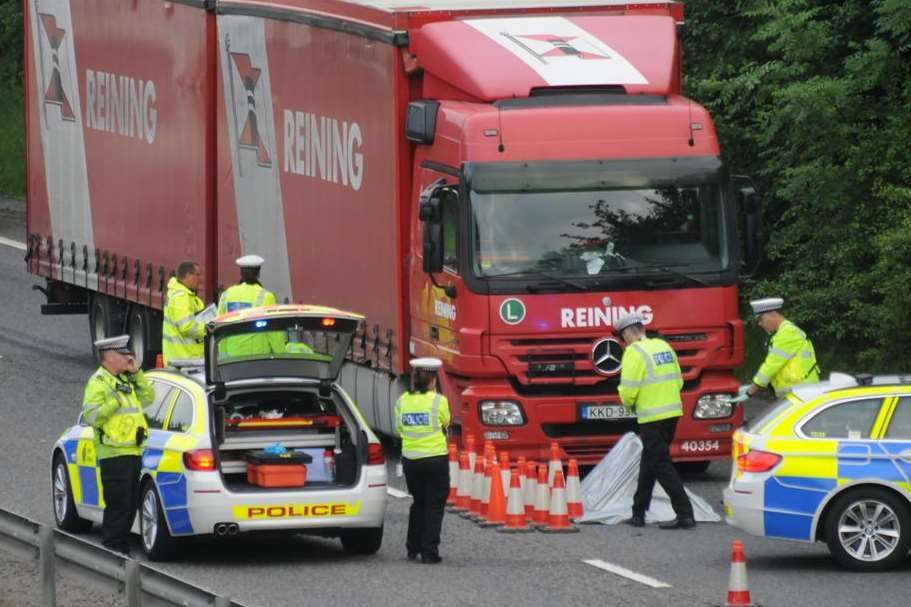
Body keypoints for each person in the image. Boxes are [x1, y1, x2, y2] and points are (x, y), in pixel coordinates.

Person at [616, 313, 695, 530]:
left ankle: (685, 514)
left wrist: (626, 401)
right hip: (672, 413)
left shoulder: (633, 352)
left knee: (660, 464)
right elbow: (678, 380)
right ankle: (638, 513)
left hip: (651, 417)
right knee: (649, 461)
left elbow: (629, 389)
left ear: (627, 335)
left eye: (623, 338)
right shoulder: (662, 346)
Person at [81, 335, 152, 554]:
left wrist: (136, 373)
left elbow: (149, 397)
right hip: (112, 452)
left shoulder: (125, 379)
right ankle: (112, 549)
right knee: (118, 503)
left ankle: (120, 549)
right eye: (124, 355)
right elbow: (91, 417)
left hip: (132, 449)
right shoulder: (98, 383)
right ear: (110, 357)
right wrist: (115, 402)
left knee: (130, 504)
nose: (128, 358)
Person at [395, 357, 451, 564]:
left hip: (411, 459)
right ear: (432, 381)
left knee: (418, 502)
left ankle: (412, 548)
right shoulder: (439, 401)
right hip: (435, 458)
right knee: (434, 505)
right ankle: (429, 552)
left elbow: (399, 429)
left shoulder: (402, 401)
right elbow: (447, 422)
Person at [746, 297, 820, 398]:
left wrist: (752, 388)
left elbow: (772, 364)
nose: (760, 324)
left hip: (801, 392)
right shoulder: (783, 333)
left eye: (760, 319)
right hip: (799, 392)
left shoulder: (787, 333)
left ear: (772, 315)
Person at [216, 254, 283, 356]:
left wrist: (223, 355)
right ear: (258, 274)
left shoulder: (226, 295)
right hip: (256, 358)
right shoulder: (266, 296)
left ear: (241, 273)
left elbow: (220, 326)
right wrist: (281, 353)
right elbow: (274, 332)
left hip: (230, 357)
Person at [162, 260, 206, 365]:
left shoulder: (185, 295)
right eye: (197, 275)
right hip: (184, 361)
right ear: (188, 275)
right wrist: (209, 328)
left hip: (183, 358)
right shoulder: (181, 297)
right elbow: (187, 327)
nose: (200, 279)